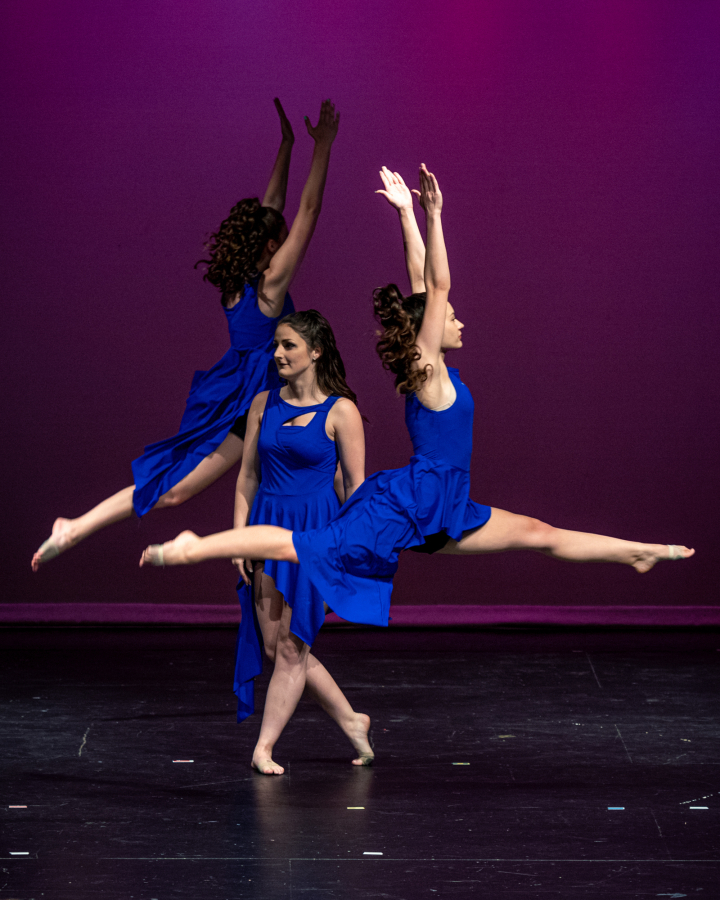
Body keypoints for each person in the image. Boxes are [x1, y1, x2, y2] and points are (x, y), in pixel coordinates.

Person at [138, 164, 694, 643]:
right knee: (300, 545)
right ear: (431, 329)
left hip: (446, 506)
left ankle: (637, 552)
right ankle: (194, 547)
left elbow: (421, 284)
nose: (457, 320)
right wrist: (433, 214)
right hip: (411, 505)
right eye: (450, 318)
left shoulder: (430, 365)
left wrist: (405, 214)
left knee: (538, 534)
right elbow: (438, 284)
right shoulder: (427, 369)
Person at [32, 98, 340, 571]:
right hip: (251, 392)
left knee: (230, 477)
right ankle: (75, 527)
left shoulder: (238, 279)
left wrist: (286, 144)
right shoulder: (270, 288)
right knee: (184, 486)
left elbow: (271, 207)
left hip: (239, 387)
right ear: (272, 248)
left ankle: (76, 526)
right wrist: (323, 148)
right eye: (278, 240)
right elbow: (309, 210)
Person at [232, 309, 372, 774]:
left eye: (288, 345)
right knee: (276, 647)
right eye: (276, 345)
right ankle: (352, 720)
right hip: (267, 527)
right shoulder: (262, 404)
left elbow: (355, 488)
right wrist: (238, 537)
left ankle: (263, 747)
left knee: (293, 647)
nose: (277, 354)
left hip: (315, 534)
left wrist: (352, 550)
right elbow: (247, 476)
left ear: (315, 351)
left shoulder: (341, 411)